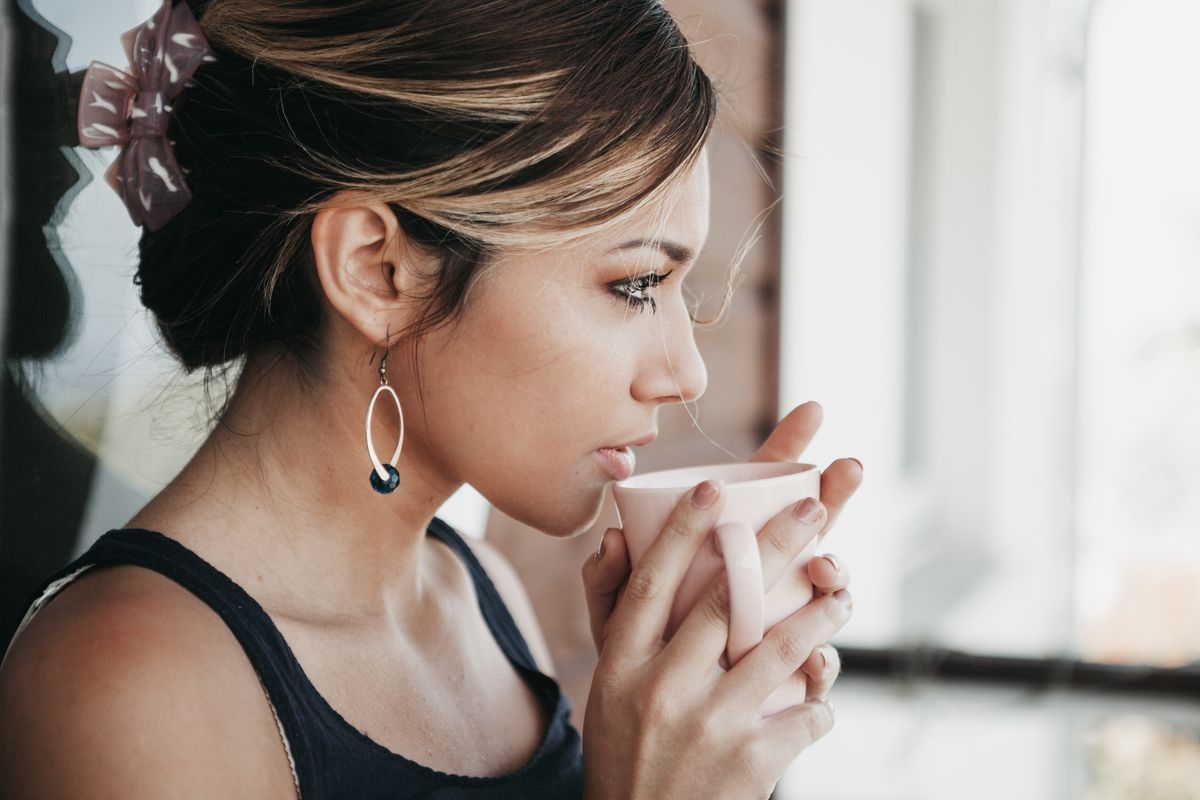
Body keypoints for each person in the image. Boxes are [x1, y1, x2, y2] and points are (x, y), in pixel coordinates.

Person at [0, 0, 860, 797]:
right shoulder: (132, 681)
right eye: (636, 284)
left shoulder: (478, 591)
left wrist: (682, 722)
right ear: (378, 271)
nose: (686, 374)